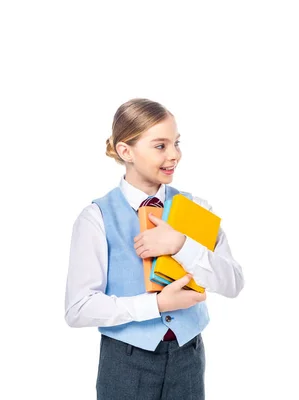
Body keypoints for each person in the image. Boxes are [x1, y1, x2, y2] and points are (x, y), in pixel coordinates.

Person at [64, 98, 245, 400]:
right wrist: (156, 306)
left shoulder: (195, 209)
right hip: (126, 362)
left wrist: (182, 245)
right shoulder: (96, 217)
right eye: (160, 146)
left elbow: (233, 283)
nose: (174, 154)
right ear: (126, 151)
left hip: (188, 357)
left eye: (176, 143)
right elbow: (78, 309)